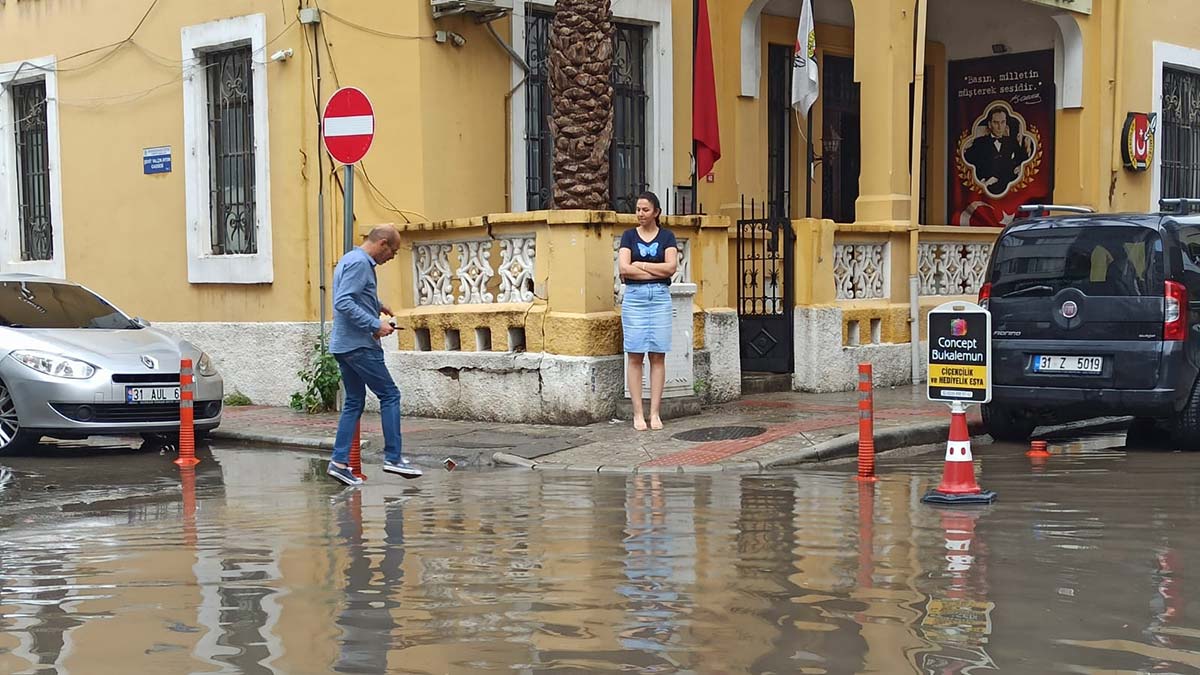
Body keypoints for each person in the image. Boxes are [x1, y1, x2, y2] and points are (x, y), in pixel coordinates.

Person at [327, 224, 422, 485]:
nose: (391, 257)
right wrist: (374, 324)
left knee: (354, 401)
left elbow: (355, 294)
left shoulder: (351, 258)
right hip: (360, 346)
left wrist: (378, 306)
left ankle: (338, 463)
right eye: (392, 251)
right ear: (382, 243)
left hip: (344, 345)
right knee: (390, 395)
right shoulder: (360, 264)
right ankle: (393, 457)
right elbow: (343, 301)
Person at [617, 191, 677, 431]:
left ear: (656, 212)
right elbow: (623, 268)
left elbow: (671, 268)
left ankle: (655, 413)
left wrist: (640, 265)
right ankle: (638, 414)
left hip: (660, 298)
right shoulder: (629, 236)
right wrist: (655, 270)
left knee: (658, 354)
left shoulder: (667, 237)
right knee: (634, 354)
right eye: (638, 210)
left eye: (645, 210)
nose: (640, 214)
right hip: (635, 299)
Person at [964, 106, 1034, 197]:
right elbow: (969, 163)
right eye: (996, 123)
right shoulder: (979, 143)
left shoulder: (1012, 141)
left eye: (1002, 122)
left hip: (1009, 189)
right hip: (986, 190)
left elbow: (1022, 160)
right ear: (989, 124)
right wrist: (983, 181)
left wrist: (1027, 147)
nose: (1000, 127)